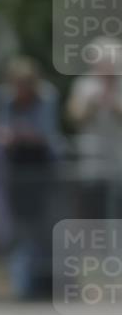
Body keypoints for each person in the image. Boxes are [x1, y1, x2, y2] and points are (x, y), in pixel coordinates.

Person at [0, 57, 64, 300]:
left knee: (45, 228)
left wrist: (22, 135)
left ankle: (48, 284)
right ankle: (22, 286)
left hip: (43, 170)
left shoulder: (46, 96)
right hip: (16, 169)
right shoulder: (5, 98)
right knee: (19, 229)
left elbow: (45, 134)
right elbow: (1, 132)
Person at [67, 36, 122, 218]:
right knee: (93, 213)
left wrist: (112, 100)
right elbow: (74, 116)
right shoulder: (83, 85)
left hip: (117, 160)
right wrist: (93, 103)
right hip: (92, 162)